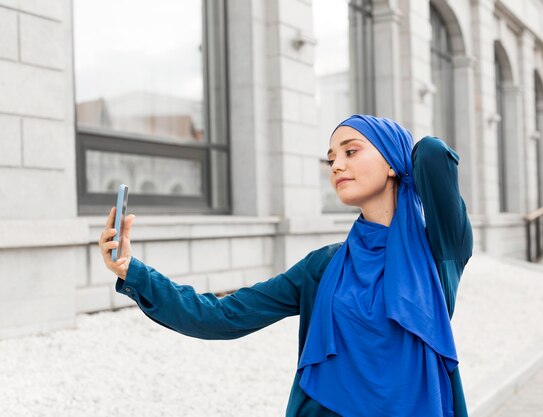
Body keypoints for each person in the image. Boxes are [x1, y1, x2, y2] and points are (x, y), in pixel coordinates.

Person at [99, 114, 473, 417]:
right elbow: (222, 315)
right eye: (331, 159)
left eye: (351, 151)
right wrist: (134, 273)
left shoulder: (440, 249)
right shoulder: (323, 266)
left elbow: (434, 154)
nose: (336, 166)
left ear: (393, 163)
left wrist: (406, 153)